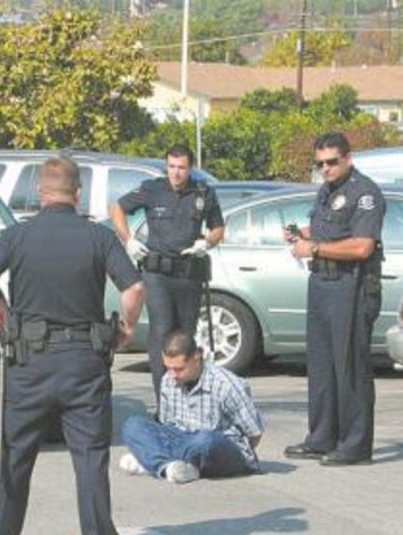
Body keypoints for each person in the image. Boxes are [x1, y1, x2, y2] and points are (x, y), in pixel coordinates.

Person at [0, 156, 145, 535]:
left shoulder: (18, 235)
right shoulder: (98, 237)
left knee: (14, 457)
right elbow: (134, 287)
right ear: (77, 193)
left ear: (40, 194)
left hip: (28, 364)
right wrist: (127, 328)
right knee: (89, 458)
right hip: (84, 362)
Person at [284, 132, 385, 466]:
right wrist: (303, 234)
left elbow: (361, 246)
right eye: (320, 163)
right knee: (322, 364)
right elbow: (330, 230)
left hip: (352, 285)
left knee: (349, 366)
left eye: (331, 162)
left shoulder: (365, 193)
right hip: (323, 282)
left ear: (348, 158)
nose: (325, 168)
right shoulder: (327, 191)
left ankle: (355, 445)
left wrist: (312, 248)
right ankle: (322, 436)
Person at [109, 145, 224, 401]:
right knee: (161, 333)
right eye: (171, 166)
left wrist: (207, 242)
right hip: (157, 274)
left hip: (188, 274)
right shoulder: (153, 189)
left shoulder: (203, 192)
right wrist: (128, 239)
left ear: (190, 168)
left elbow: (218, 228)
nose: (176, 173)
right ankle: (164, 401)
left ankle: (185, 399)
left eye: (181, 167)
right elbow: (116, 208)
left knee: (185, 337)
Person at [119, 330, 264, 484]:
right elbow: (167, 424)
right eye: (168, 368)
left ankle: (151, 460)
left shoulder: (226, 385)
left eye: (179, 369)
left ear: (196, 357)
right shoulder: (168, 380)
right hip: (182, 438)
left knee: (206, 440)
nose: (173, 374)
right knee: (133, 425)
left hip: (218, 447)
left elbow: (254, 433)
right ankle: (167, 468)